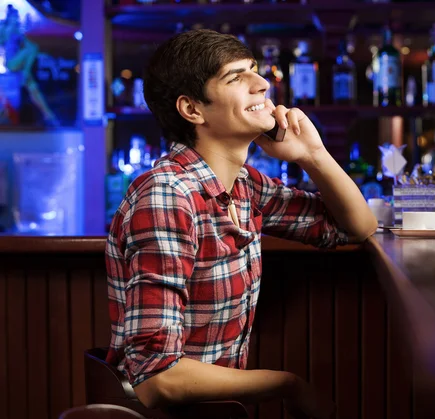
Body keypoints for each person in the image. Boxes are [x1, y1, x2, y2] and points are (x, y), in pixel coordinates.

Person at [105, 29, 378, 419]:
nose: (262, 83)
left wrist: (313, 154)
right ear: (193, 110)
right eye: (236, 78)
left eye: (254, 70)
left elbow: (356, 227)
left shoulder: (243, 186)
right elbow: (156, 377)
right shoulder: (169, 195)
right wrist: (288, 385)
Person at [0, 4, 58, 126]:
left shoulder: (17, 32)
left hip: (17, 66)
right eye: (14, 17)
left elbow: (31, 47)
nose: (16, 20)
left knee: (32, 87)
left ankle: (48, 115)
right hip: (9, 64)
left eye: (17, 18)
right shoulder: (4, 29)